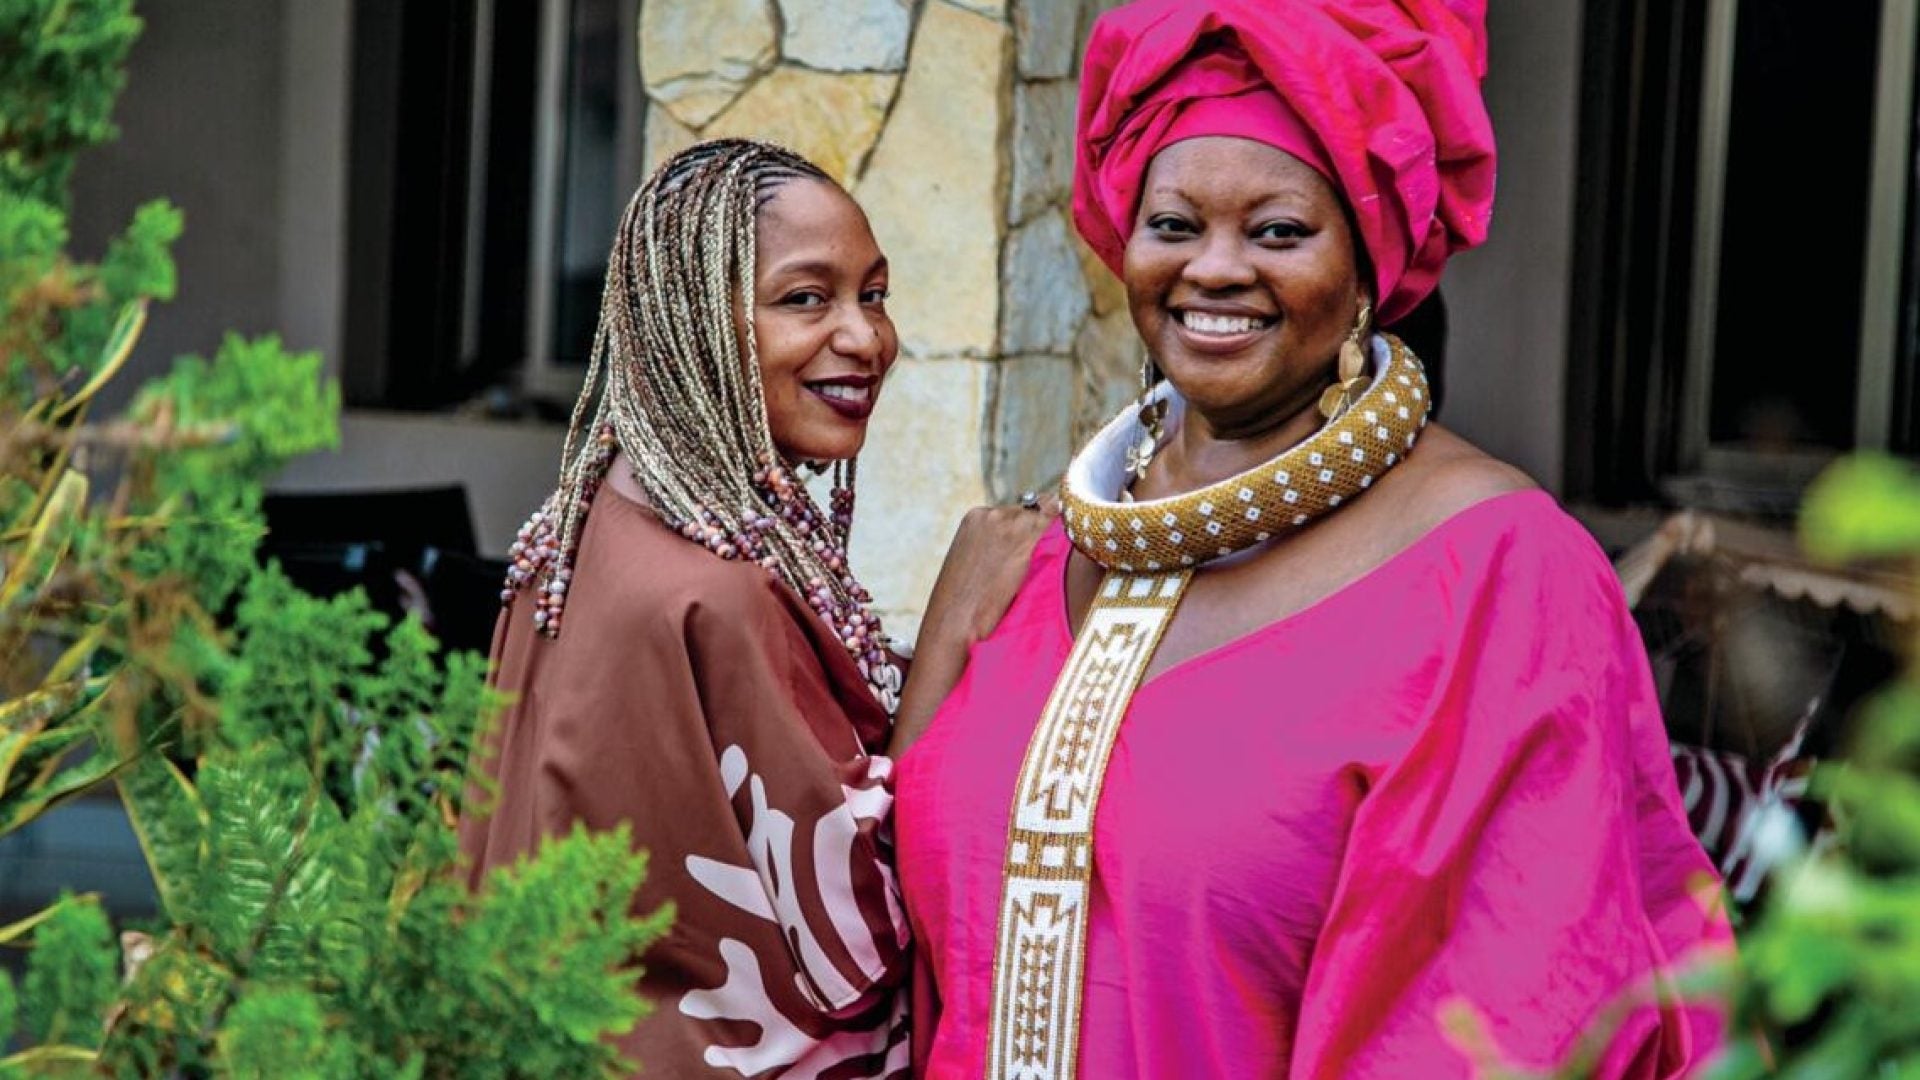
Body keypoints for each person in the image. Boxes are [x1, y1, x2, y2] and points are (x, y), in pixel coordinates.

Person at [891, 3, 1731, 1078]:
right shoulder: (1036, 551)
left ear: (1370, 261)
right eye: (1175, 225)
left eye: (1279, 230)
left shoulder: (1499, 578)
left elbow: (1499, 1027)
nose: (1216, 271)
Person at [458, 139, 1045, 1078]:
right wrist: (953, 623)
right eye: (805, 299)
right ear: (692, 322)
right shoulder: (721, 588)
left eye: (875, 295)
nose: (865, 339)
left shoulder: (579, 526)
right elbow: (861, 933)